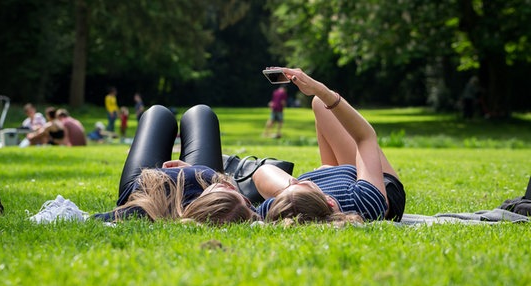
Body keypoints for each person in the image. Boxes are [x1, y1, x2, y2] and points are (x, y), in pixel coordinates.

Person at [254, 67, 406, 224]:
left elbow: (260, 177)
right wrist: (319, 90)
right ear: (329, 201)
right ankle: (332, 170)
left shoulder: (285, 208)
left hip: (328, 187)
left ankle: (330, 171)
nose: (292, 181)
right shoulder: (365, 202)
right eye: (298, 184)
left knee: (262, 171)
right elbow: (365, 138)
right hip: (375, 182)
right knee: (320, 103)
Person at [92, 104, 259, 224]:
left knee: (159, 113)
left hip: (144, 184)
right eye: (246, 200)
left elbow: (97, 218)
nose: (230, 186)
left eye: (227, 188)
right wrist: (191, 171)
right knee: (201, 112)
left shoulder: (145, 209)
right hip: (190, 183)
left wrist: (192, 173)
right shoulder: (228, 206)